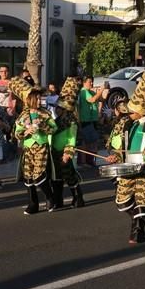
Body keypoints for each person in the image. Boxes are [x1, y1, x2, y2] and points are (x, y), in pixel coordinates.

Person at [105, 71, 145, 244]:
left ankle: (138, 230)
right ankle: (137, 218)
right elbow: (120, 149)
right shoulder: (127, 126)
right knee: (122, 201)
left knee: (142, 200)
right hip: (127, 167)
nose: (129, 113)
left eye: (133, 111)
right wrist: (114, 157)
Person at [11, 77, 58, 215]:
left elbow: (54, 129)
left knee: (38, 175)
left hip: (41, 146)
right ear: (29, 100)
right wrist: (26, 131)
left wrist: (42, 125)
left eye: (40, 99)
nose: (39, 101)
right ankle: (33, 204)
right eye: (36, 99)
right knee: (28, 177)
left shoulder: (46, 113)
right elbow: (16, 133)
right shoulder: (23, 115)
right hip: (28, 148)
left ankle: (50, 197)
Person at [51, 77, 85, 209]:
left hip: (64, 151)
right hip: (54, 150)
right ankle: (58, 200)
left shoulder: (71, 121)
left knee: (69, 175)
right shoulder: (58, 119)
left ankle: (78, 198)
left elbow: (71, 138)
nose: (57, 109)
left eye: (59, 107)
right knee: (56, 177)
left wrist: (67, 153)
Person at [78, 76, 104, 166]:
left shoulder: (91, 91)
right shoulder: (83, 92)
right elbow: (92, 100)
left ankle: (90, 160)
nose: (92, 84)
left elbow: (101, 99)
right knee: (86, 141)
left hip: (93, 119)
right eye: (90, 82)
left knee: (93, 141)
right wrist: (101, 90)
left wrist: (105, 91)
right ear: (84, 83)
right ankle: (83, 161)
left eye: (92, 82)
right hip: (85, 119)